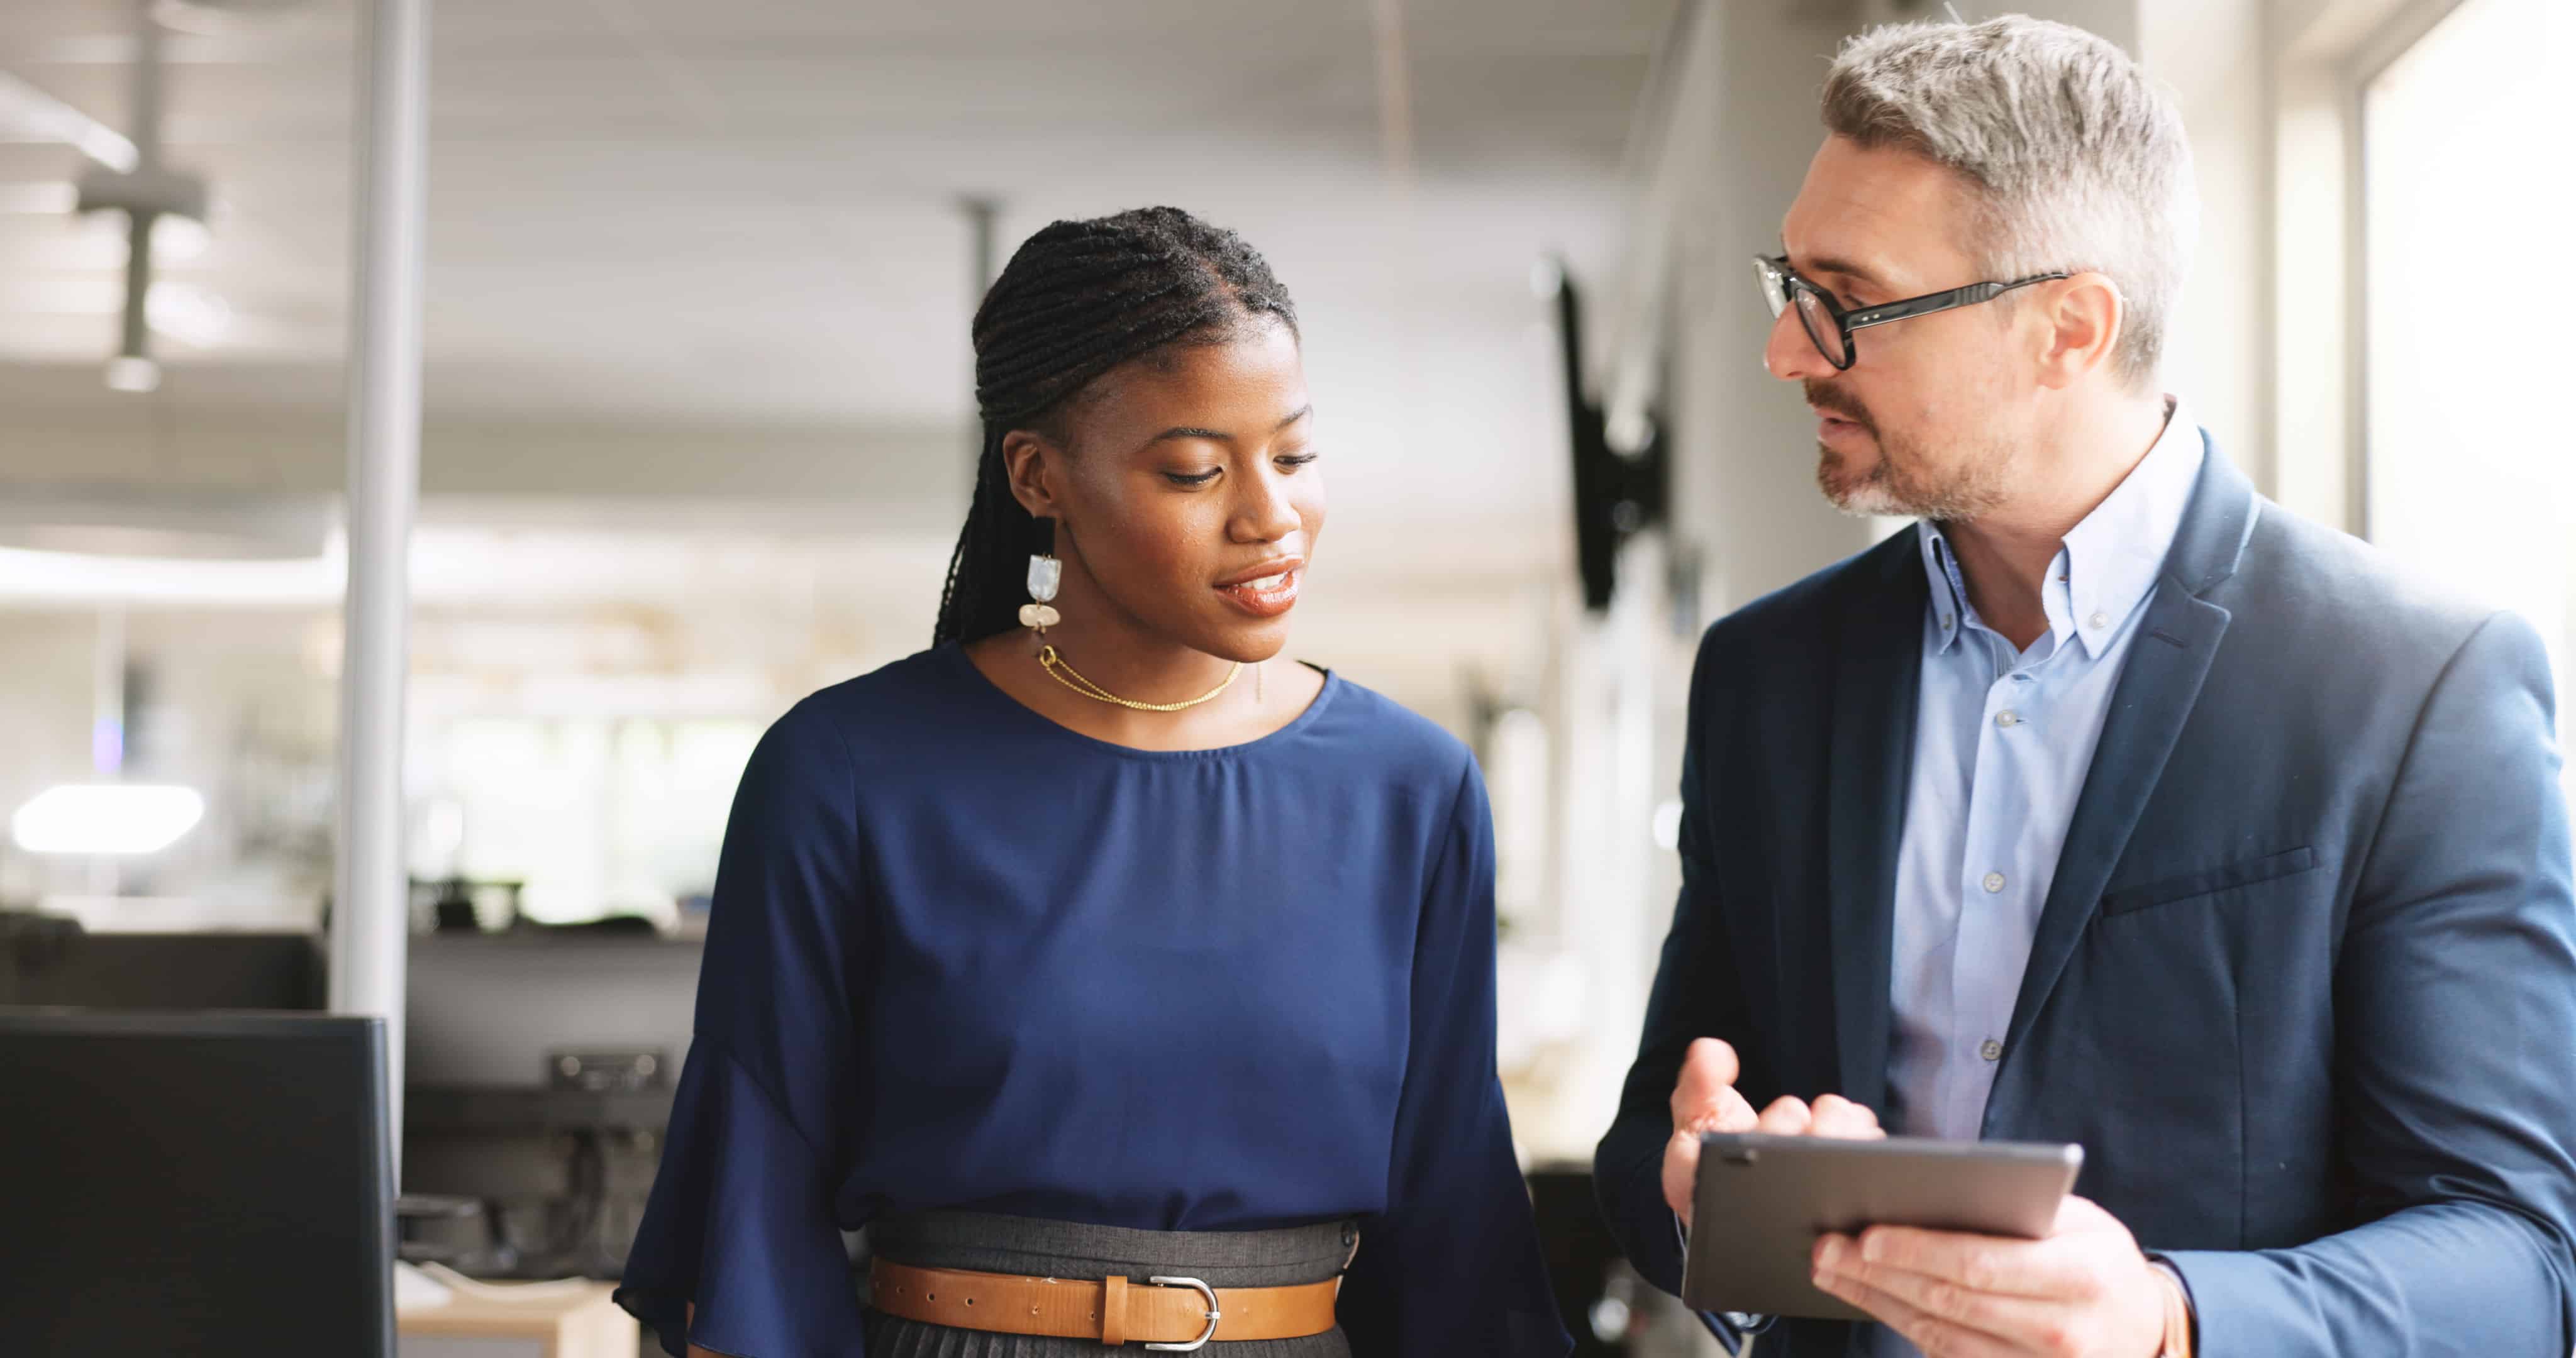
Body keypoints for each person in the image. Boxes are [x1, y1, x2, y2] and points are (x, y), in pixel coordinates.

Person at [1593, 16, 2576, 1357]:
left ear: (2067, 328)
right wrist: (1699, 1180)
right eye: (1788, 284)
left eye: (1846, 301)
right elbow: (1657, 1128)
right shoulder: (1767, 677)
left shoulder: (2413, 687)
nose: (1788, 352)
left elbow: (2514, 1257)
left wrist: (2172, 1320)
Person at [614, 206, 1569, 1358]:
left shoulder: (1410, 790)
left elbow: (1456, 1218)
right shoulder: (849, 771)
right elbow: (752, 1210)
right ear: (1039, 477)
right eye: (1194, 470)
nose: (1271, 516)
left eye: (1296, 455)